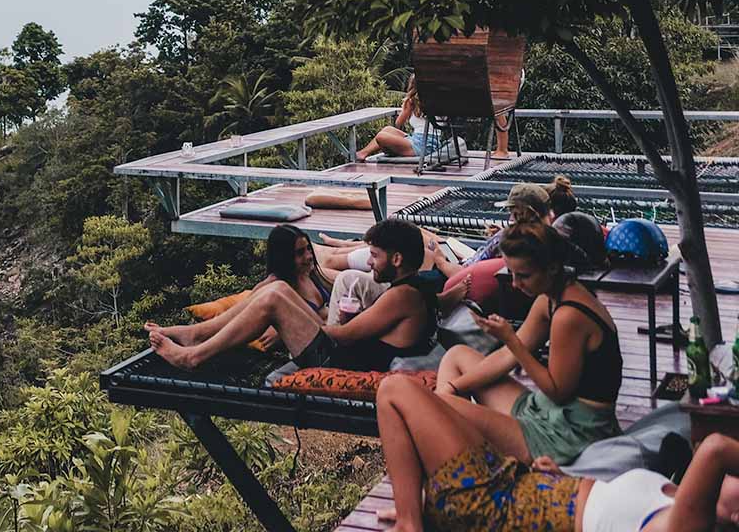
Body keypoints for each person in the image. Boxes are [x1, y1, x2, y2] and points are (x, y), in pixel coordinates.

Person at [375, 372, 739, 532]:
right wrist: (561, 478)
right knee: (442, 403)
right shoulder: (674, 503)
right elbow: (600, 511)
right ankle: (419, 506)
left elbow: (717, 448)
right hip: (520, 483)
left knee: (394, 390)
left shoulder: (684, 527)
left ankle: (412, 522)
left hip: (494, 505)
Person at [435, 221, 623, 465]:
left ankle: (444, 484)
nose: (514, 284)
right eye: (512, 273)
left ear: (553, 268)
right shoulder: (552, 296)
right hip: (548, 412)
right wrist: (453, 387)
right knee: (456, 356)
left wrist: (512, 341)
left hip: (573, 433)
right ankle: (463, 464)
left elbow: (557, 391)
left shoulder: (569, 316)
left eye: (523, 275)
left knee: (436, 410)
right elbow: (505, 358)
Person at [147, 219, 437, 372]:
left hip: (338, 360)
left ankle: (194, 355)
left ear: (397, 259)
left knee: (274, 299)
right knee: (278, 289)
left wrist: (295, 323)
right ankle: (195, 334)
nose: (370, 262)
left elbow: (344, 335)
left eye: (374, 255)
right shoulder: (417, 286)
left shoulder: (402, 296)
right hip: (351, 353)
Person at [145, 223, 331, 353]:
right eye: (300, 253)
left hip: (322, 338)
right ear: (285, 258)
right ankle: (193, 334)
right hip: (311, 341)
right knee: (251, 304)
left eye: (308, 249)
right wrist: (281, 329)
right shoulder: (276, 285)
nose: (308, 256)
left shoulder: (312, 274)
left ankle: (193, 334)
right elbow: (247, 321)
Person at [355, 75, 440, 161]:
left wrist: (405, 109)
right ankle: (363, 153)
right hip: (431, 142)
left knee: (381, 136)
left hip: (421, 145)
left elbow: (398, 123)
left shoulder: (411, 102)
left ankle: (362, 153)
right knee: (388, 129)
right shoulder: (438, 100)